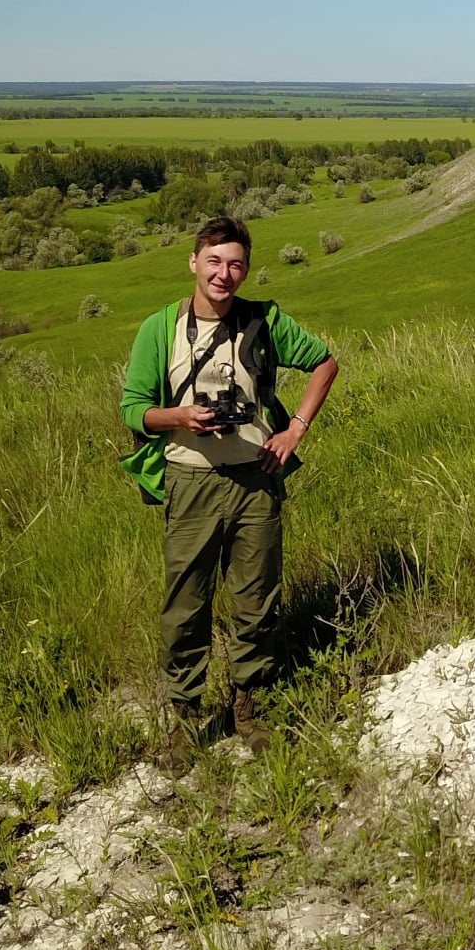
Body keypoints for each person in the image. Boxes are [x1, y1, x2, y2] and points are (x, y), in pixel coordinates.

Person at [120, 216, 339, 764]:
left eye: (235, 263)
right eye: (214, 261)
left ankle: (249, 703)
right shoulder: (160, 327)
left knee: (255, 599)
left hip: (256, 478)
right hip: (189, 479)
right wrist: (180, 417)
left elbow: (326, 363)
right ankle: (186, 717)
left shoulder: (263, 322)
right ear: (193, 262)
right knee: (184, 604)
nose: (224, 273)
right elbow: (132, 410)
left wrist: (296, 429)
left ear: (245, 269)